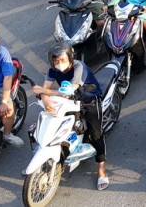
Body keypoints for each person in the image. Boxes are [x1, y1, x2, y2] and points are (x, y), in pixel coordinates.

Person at [33, 44, 109, 189]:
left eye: (62, 60)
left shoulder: (78, 67)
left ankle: (101, 169)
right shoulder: (52, 70)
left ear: (70, 57)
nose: (58, 64)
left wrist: (43, 91)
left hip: (89, 99)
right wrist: (45, 99)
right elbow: (46, 89)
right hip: (70, 101)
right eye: (55, 61)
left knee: (96, 134)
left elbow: (67, 91)